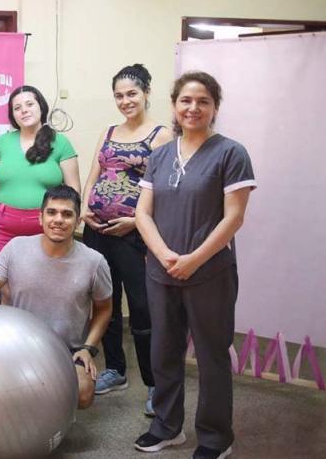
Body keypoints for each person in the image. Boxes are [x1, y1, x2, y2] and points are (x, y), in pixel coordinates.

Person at [133, 71, 256, 459]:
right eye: (185, 100)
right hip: (161, 272)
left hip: (210, 273)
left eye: (203, 101)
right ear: (174, 105)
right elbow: (142, 213)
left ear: (214, 107)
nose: (193, 108)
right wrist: (164, 255)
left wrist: (193, 260)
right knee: (163, 351)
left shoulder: (231, 153)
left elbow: (234, 218)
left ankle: (216, 438)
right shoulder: (159, 156)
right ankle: (166, 427)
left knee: (211, 356)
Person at [0, 184, 112, 410]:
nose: (58, 220)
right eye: (51, 212)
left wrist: (89, 348)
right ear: (40, 218)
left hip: (67, 351)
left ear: (78, 221)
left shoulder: (94, 261)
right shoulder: (16, 248)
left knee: (83, 394)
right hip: (19, 347)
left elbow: (104, 309)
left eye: (67, 214)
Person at [81, 64, 174, 413]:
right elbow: (95, 174)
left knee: (141, 308)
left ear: (147, 92)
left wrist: (136, 221)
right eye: (119, 95)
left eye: (132, 93)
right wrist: (85, 207)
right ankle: (115, 370)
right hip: (97, 232)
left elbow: (167, 190)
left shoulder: (162, 135)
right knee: (104, 302)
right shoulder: (108, 131)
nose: (125, 101)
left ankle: (154, 384)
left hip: (134, 235)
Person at [0, 85, 80, 257]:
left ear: (41, 107)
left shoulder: (60, 142)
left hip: (48, 230)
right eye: (17, 108)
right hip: (4, 230)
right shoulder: (3, 142)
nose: (24, 110)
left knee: (46, 273)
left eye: (30, 104)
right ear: (13, 115)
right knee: (2, 273)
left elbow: (74, 191)